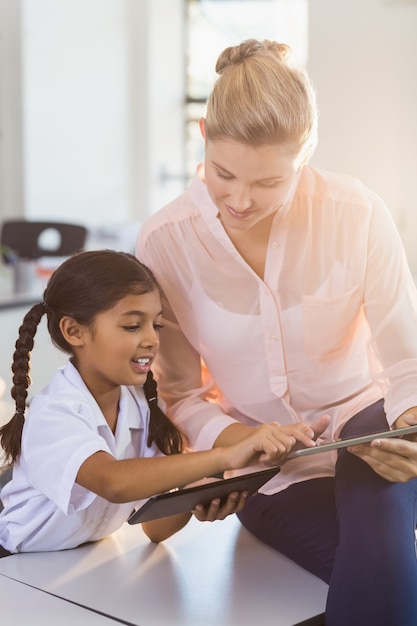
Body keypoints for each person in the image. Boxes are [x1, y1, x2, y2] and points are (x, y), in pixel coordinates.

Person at [136, 39, 417, 626]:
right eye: (223, 173)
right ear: (204, 136)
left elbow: (407, 366)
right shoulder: (166, 243)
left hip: (368, 436)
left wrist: (412, 432)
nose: (239, 200)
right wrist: (236, 440)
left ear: (306, 152)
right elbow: (181, 394)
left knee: (376, 503)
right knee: (382, 570)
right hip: (269, 475)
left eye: (268, 183)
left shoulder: (356, 213)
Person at [0, 249, 317, 556]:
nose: (152, 339)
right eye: (132, 326)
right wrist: (226, 456)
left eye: (157, 324)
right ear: (74, 331)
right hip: (17, 565)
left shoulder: (141, 405)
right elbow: (114, 481)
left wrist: (196, 496)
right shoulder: (55, 413)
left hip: (80, 562)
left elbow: (156, 528)